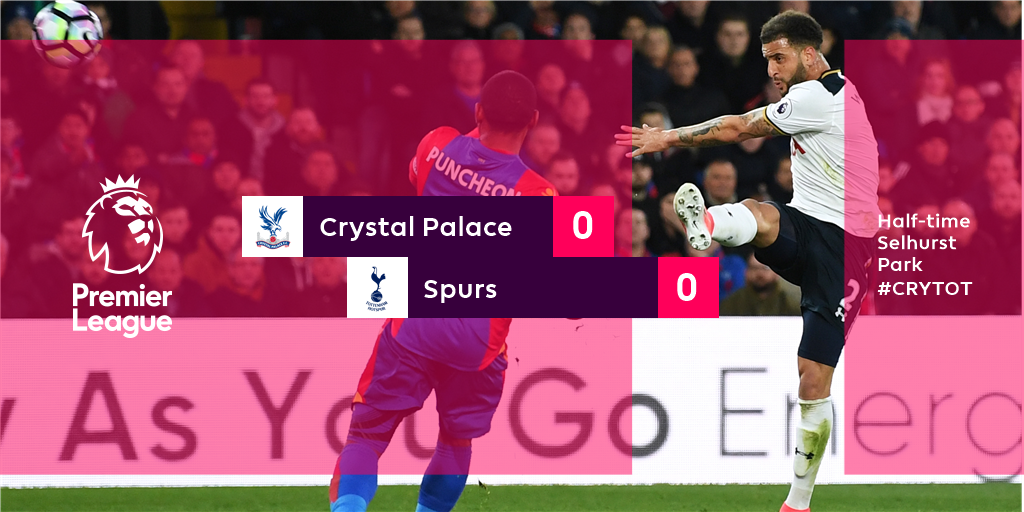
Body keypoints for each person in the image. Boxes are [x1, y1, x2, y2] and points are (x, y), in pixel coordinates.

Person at [618, 11, 877, 512]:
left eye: (779, 58)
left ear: (808, 53)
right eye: (767, 60)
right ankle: (706, 225)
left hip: (847, 251)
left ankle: (797, 502)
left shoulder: (819, 97)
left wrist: (667, 138)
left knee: (812, 378)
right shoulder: (829, 90)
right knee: (762, 214)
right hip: (809, 223)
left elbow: (738, 127)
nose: (772, 70)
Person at [331, 70, 557, 512]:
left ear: (478, 111)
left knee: (366, 436)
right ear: (533, 121)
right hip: (478, 343)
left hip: (416, 322)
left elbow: (421, 181)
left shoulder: (436, 145)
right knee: (455, 439)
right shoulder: (537, 195)